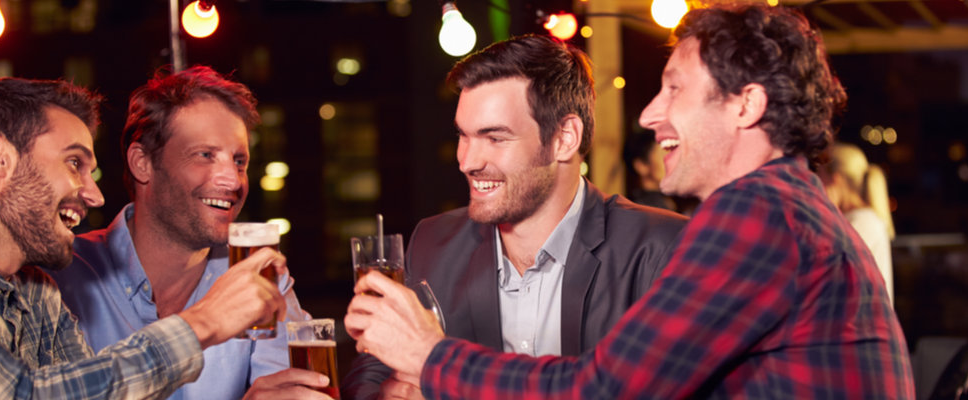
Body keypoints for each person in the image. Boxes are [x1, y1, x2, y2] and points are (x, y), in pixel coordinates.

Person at [345, 4, 914, 398]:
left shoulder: (758, 214)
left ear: (746, 105)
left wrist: (429, 355)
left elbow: (602, 391)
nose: (649, 114)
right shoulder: (790, 206)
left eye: (674, 88)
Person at [341, 34, 689, 400]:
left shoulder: (660, 249)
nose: (468, 161)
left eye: (495, 138)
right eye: (464, 135)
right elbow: (370, 372)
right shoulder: (432, 241)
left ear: (564, 138)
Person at [0, 78, 327, 399]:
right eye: (73, 163)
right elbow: (24, 395)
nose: (95, 195)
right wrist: (204, 323)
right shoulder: (58, 275)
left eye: (240, 161)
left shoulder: (37, 292)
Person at [819, 143, 896, 304]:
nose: (819, 189)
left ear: (835, 180)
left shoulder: (862, 223)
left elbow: (829, 273)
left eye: (821, 180)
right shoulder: (862, 220)